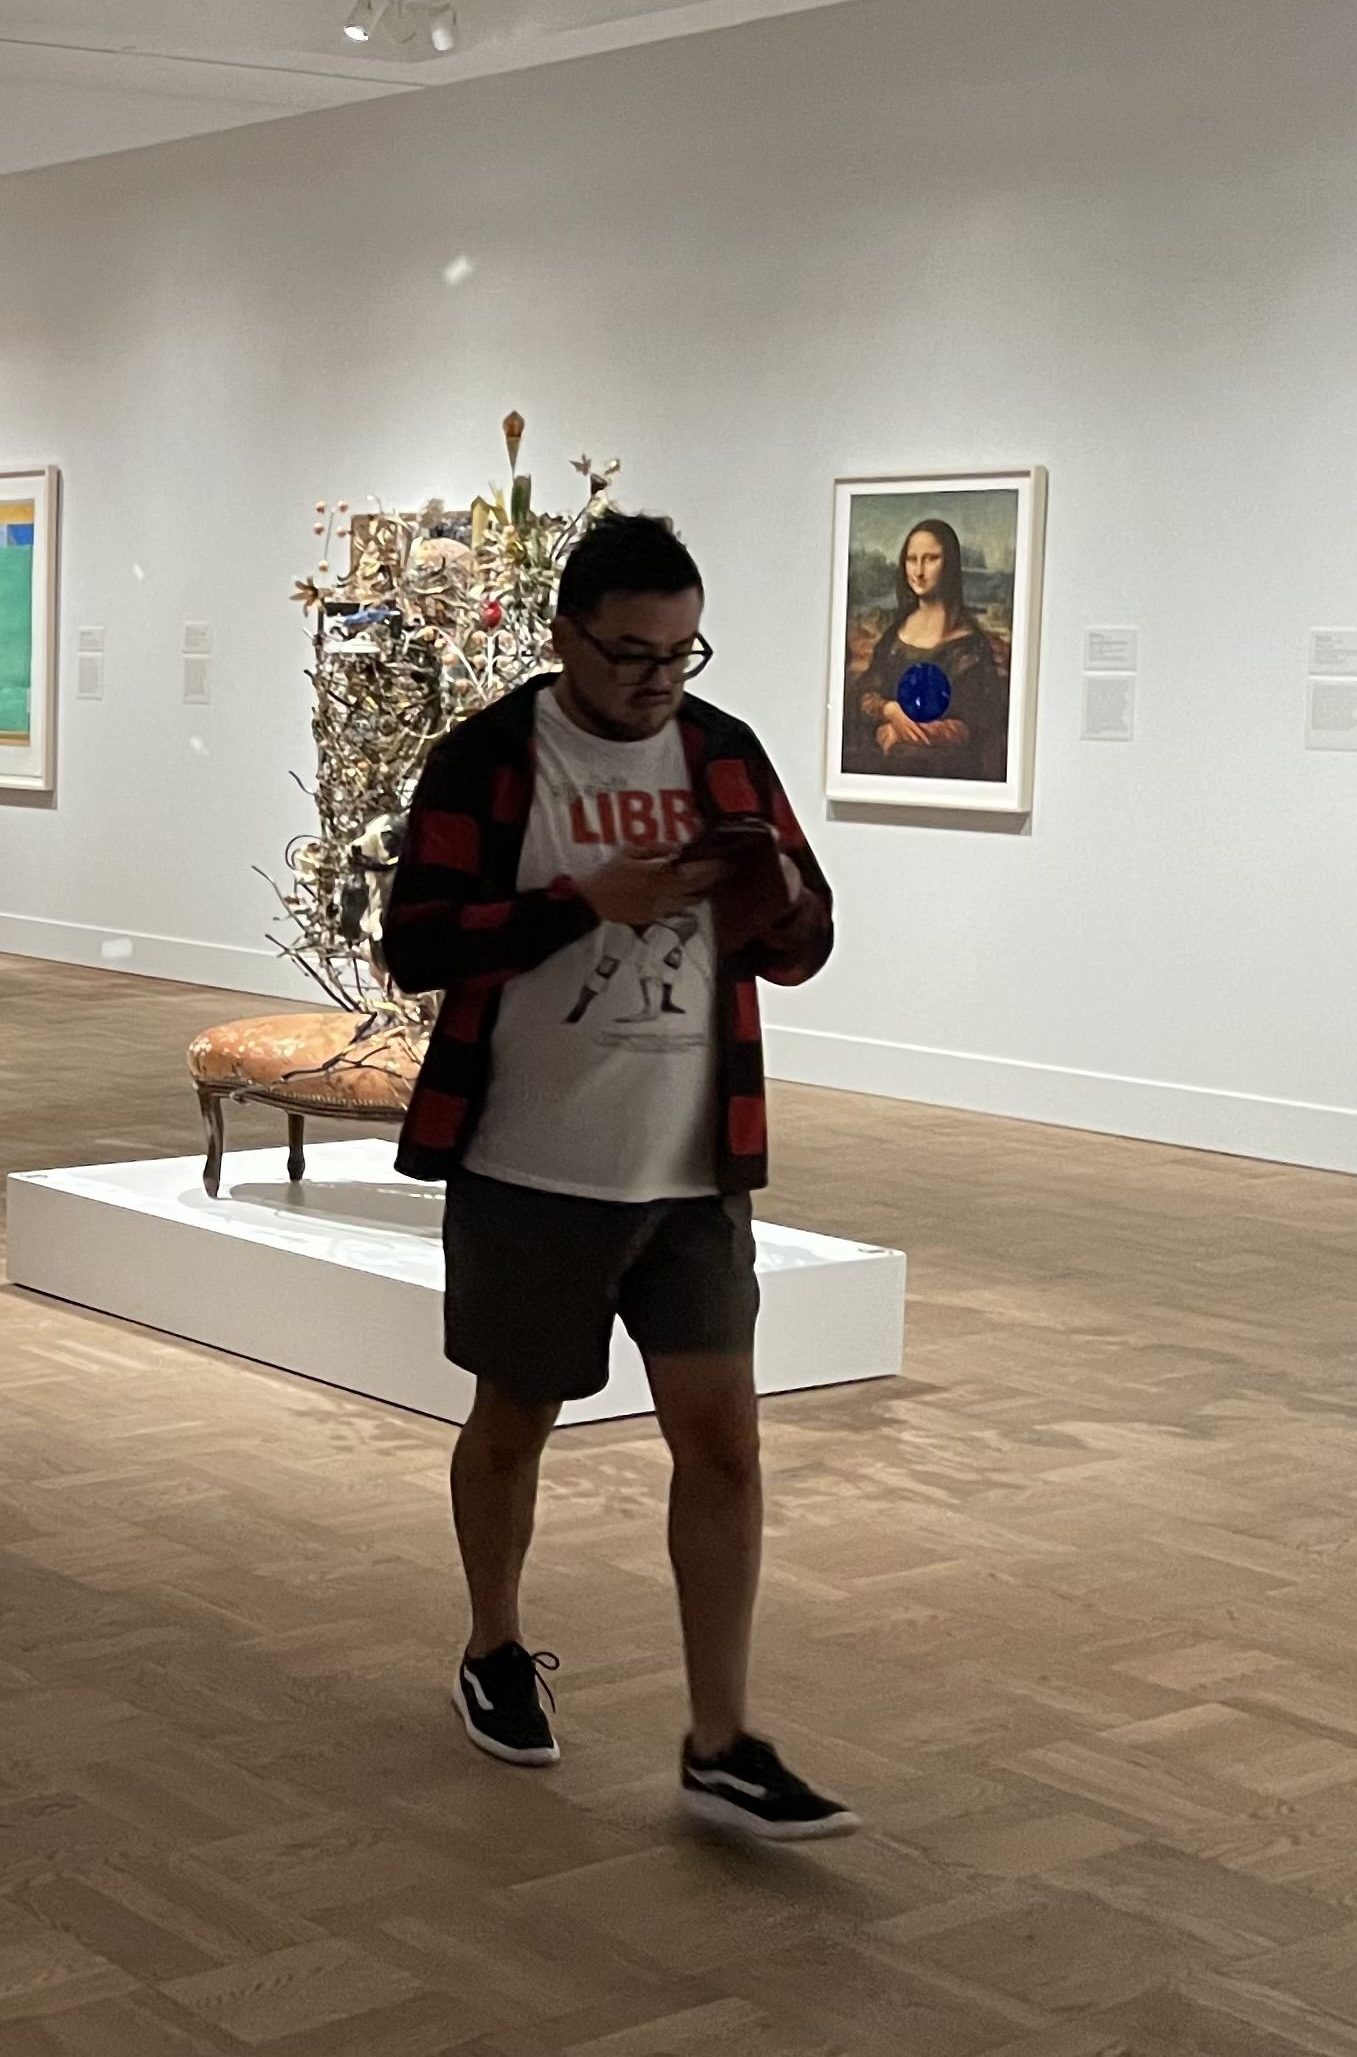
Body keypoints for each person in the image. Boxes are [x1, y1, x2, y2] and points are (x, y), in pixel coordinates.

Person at [378, 509, 854, 1842]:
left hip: (693, 1165)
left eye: (681, 651)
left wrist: (776, 907)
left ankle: (722, 1737)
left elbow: (806, 942)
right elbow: (414, 945)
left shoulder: (724, 752)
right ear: (565, 638)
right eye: (633, 652)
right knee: (514, 1422)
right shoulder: (488, 761)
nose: (658, 678)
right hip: (533, 1161)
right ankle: (494, 1646)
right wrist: (593, 898)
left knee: (727, 1449)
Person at [847, 517, 1008, 782]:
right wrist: (889, 711)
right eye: (912, 559)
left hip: (946, 777)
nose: (919, 571)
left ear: (950, 565)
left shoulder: (971, 647)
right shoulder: (894, 636)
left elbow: (977, 728)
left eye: (931, 558)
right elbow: (864, 694)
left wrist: (902, 733)